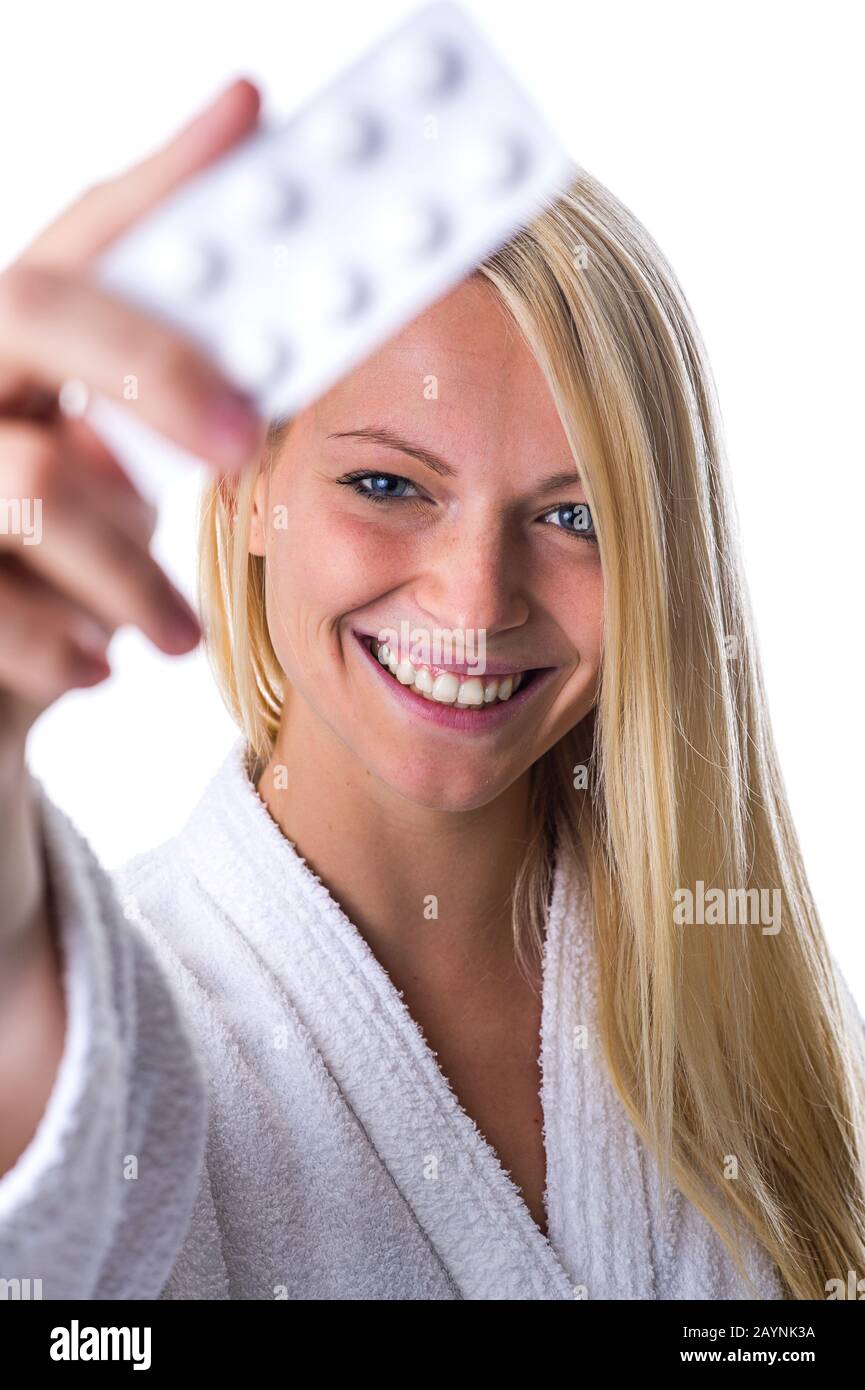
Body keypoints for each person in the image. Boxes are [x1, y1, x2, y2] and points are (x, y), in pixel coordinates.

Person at [1, 78, 862, 1302]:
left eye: (575, 517)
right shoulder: (113, 1026)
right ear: (246, 490)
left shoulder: (763, 1024)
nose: (474, 603)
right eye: (389, 487)